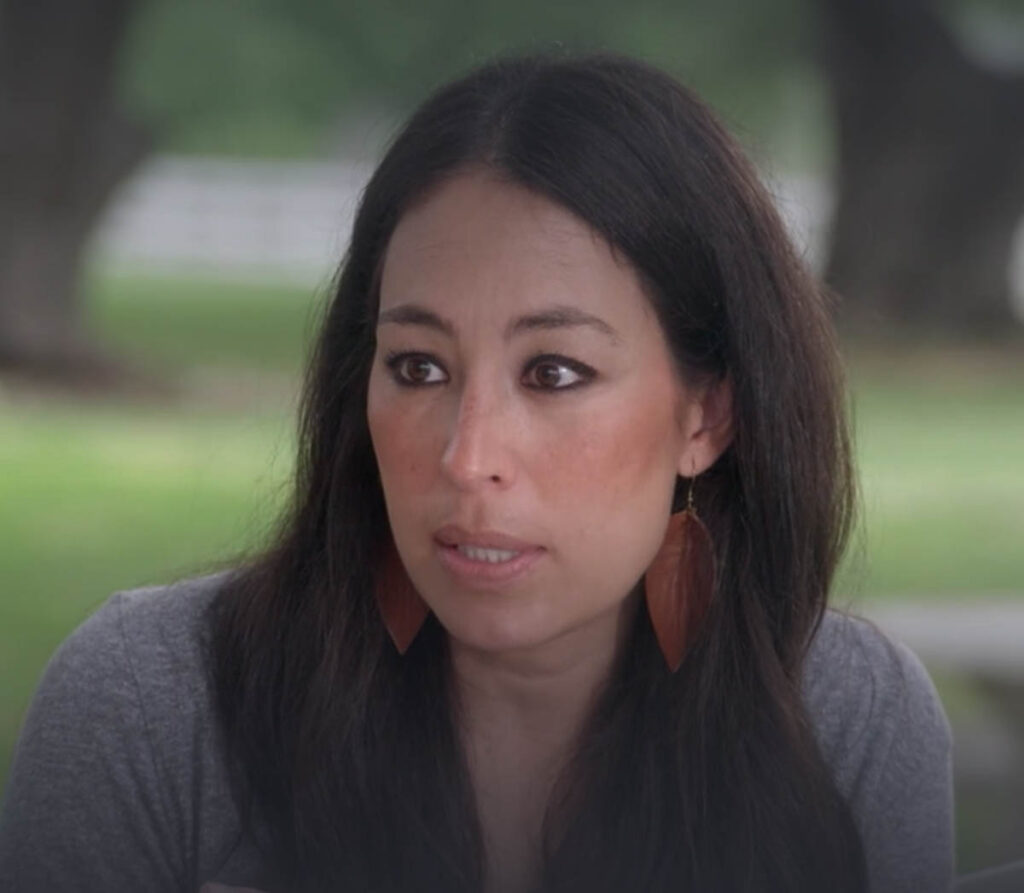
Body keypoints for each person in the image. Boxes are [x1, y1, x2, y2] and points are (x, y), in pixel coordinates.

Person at [0, 53, 953, 893]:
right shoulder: (152, 707)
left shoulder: (846, 718)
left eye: (554, 373)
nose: (466, 457)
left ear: (707, 416)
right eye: (418, 367)